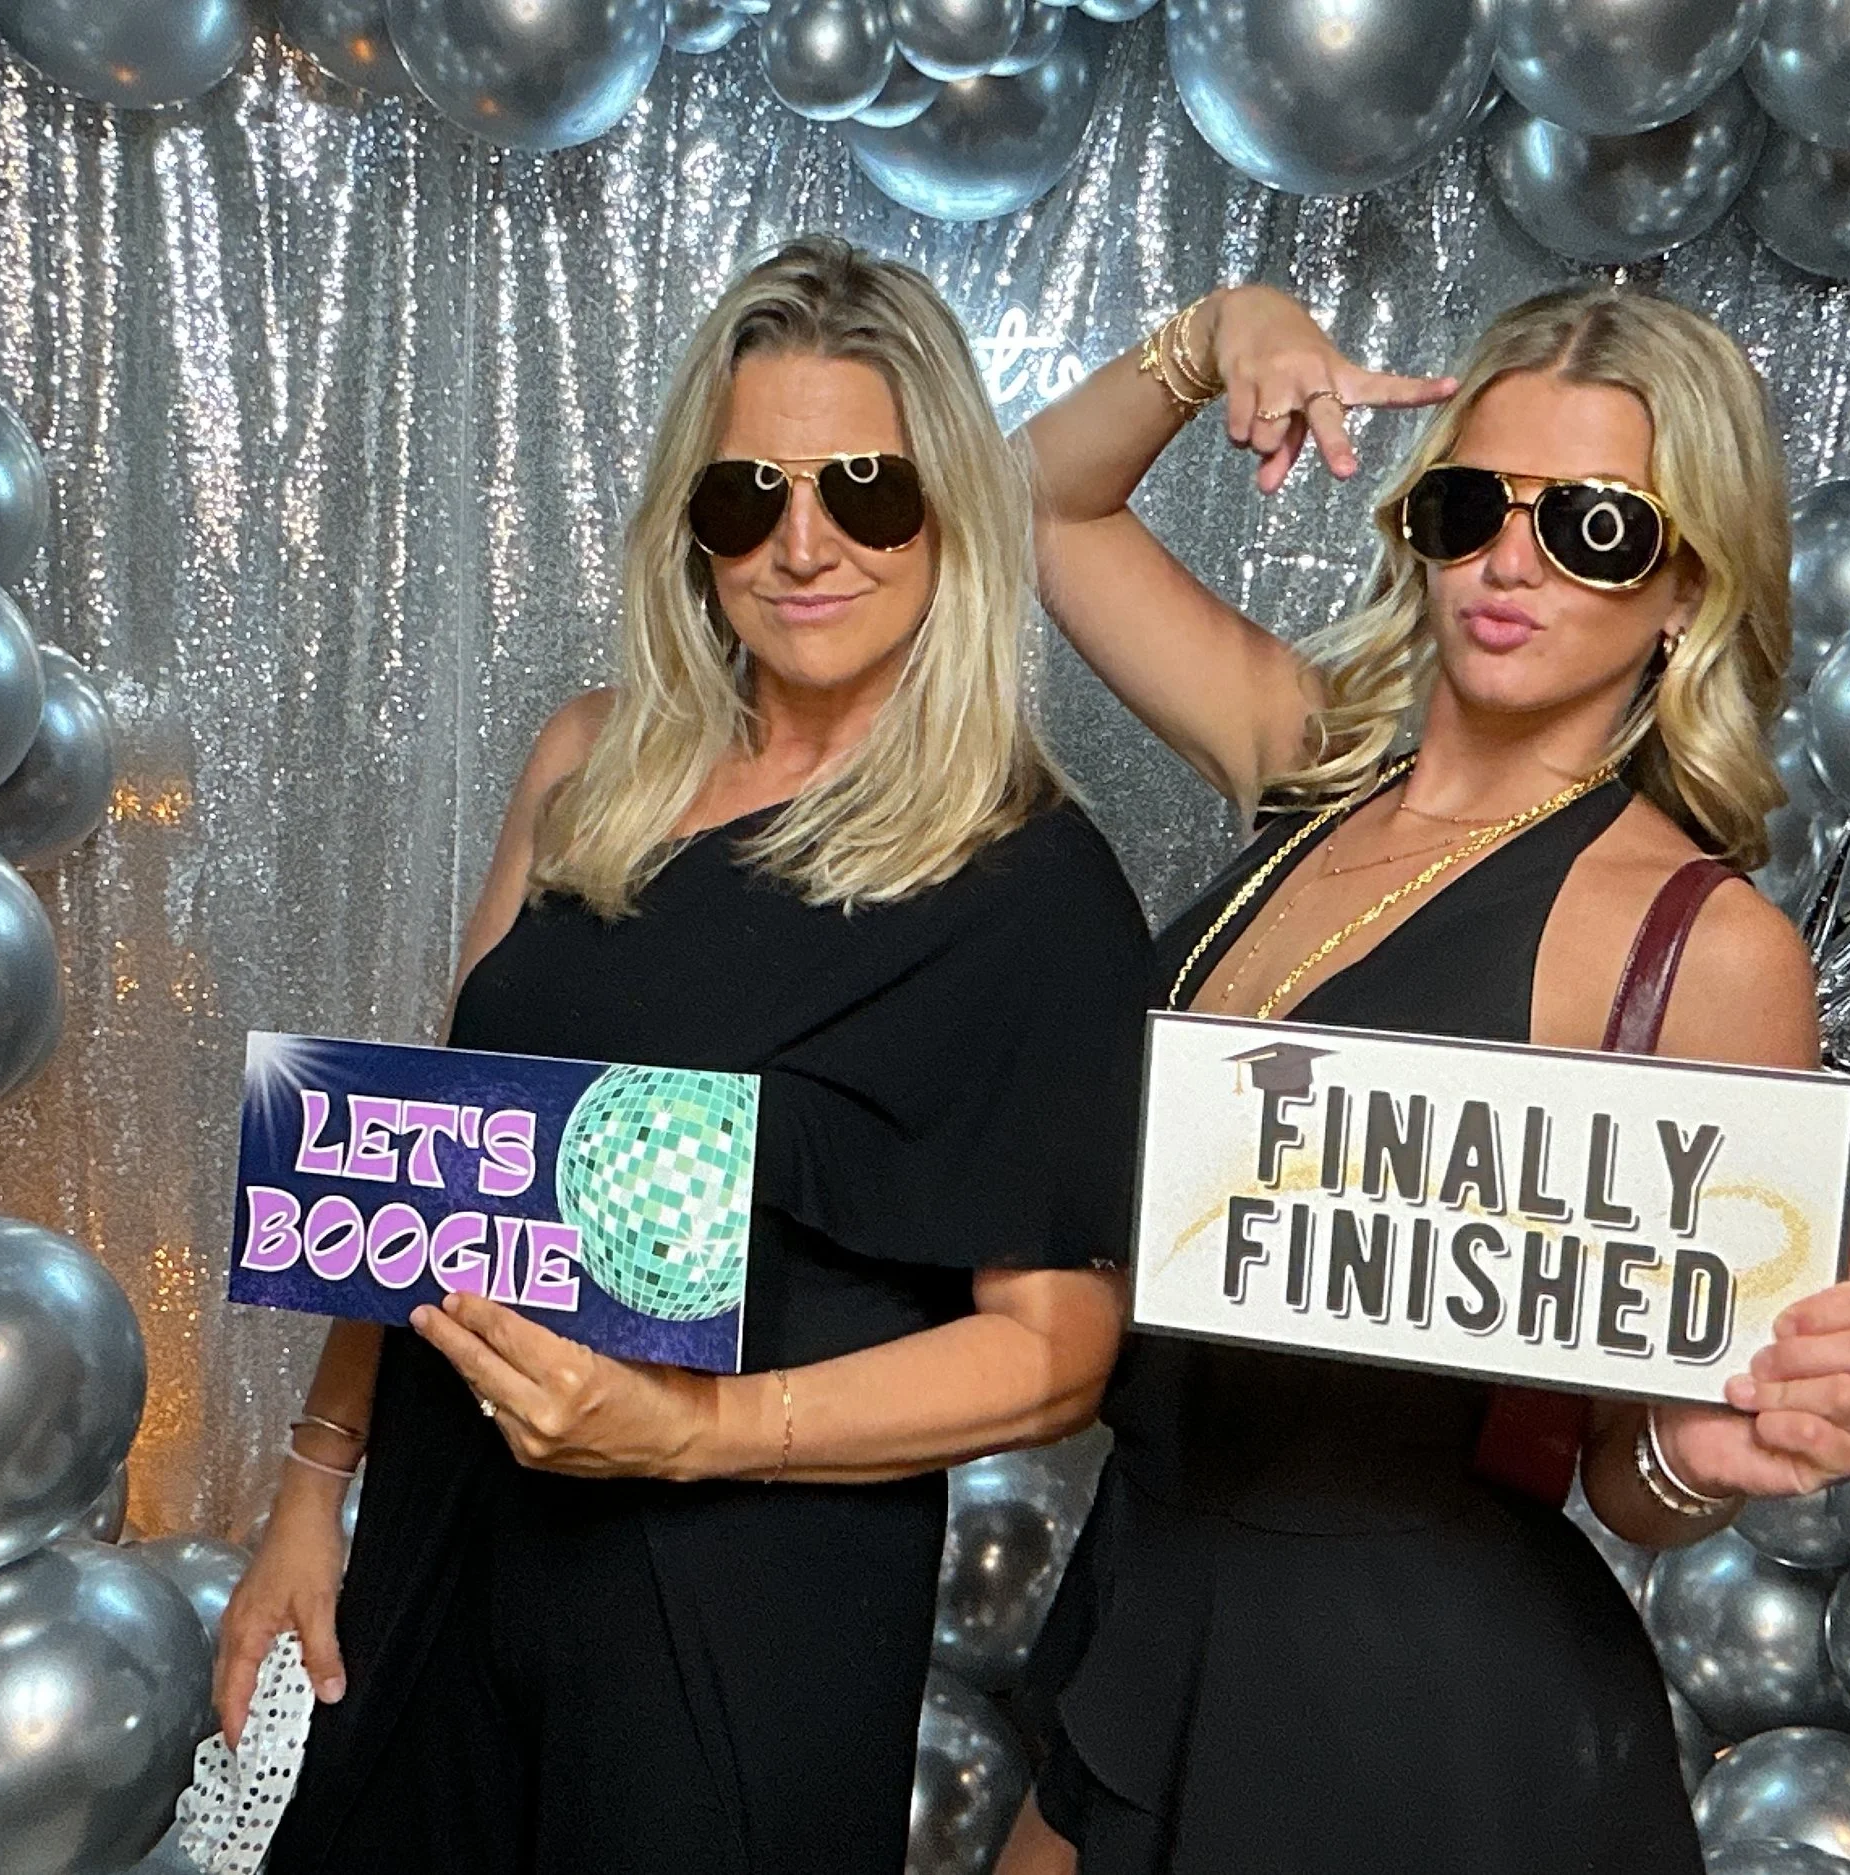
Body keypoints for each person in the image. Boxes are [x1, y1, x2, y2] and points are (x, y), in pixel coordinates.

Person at [220, 235, 1153, 1875]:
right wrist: (314, 1484)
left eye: (866, 489)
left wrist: (696, 1429)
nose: (805, 546)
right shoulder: (590, 764)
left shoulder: (1031, 881)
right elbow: (435, 1162)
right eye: (748, 497)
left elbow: (1058, 1356)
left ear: (950, 506)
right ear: (688, 525)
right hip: (449, 1539)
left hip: (739, 1597)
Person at [998, 283, 1850, 1875]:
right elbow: (1037, 499)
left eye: (1598, 527)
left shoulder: (1703, 941)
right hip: (1147, 1582)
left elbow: (1636, 1473)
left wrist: (1716, 1446)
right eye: (1470, 502)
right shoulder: (1306, 756)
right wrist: (1218, 337)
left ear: (1691, 582)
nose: (1510, 560)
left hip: (1409, 1690)